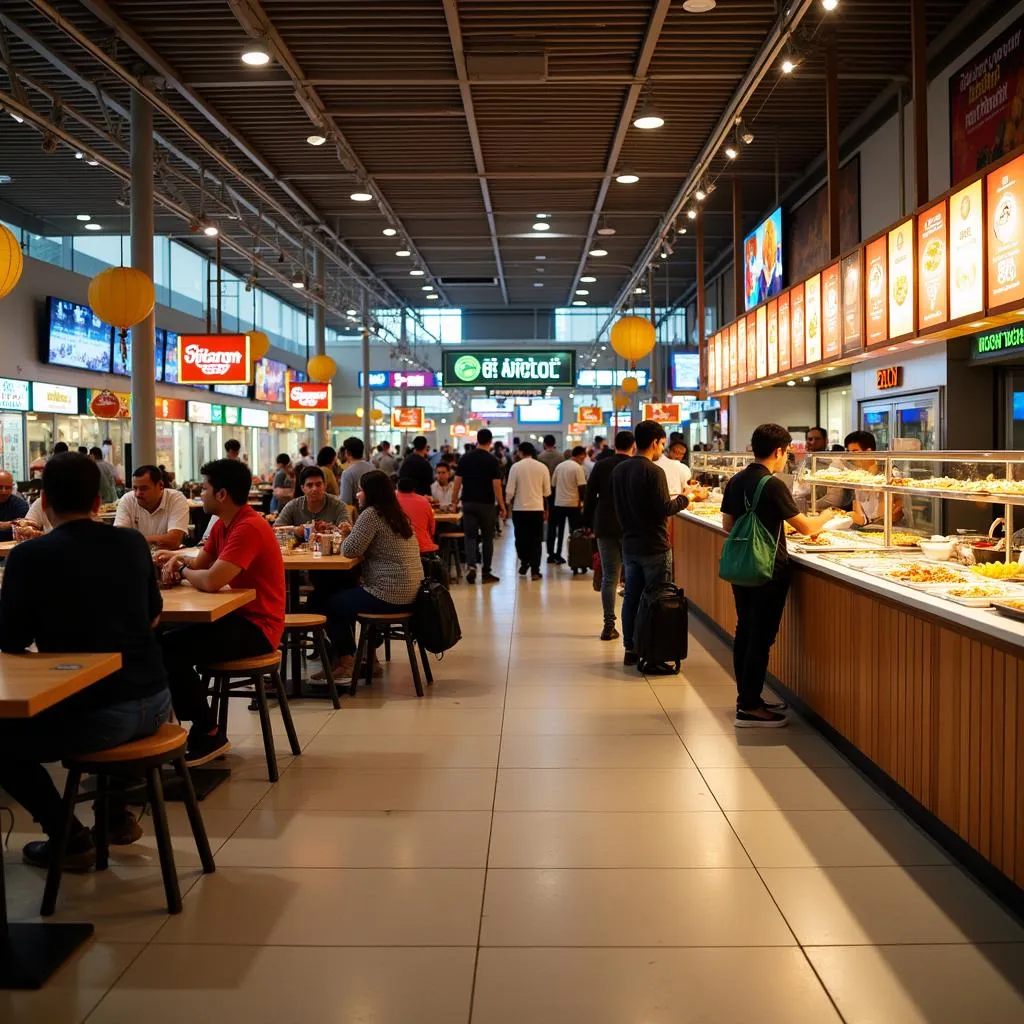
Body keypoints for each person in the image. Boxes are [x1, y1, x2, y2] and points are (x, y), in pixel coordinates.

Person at [0, 453, 170, 869]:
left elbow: (12, 639)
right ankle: (112, 816)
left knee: (3, 742)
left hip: (103, 717)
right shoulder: (132, 543)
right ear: (98, 502)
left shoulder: (29, 557)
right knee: (100, 699)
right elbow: (153, 613)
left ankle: (68, 837)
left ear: (44, 502)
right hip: (160, 701)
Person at [155, 459, 285, 765]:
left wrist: (183, 568)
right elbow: (201, 563)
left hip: (259, 627)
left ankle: (209, 731)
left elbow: (211, 581)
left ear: (222, 494)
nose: (201, 494)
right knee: (161, 636)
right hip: (237, 618)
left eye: (205, 488)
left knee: (169, 649)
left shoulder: (248, 527)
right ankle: (170, 725)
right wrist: (179, 560)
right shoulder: (223, 524)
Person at [722, 424, 837, 726]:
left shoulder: (736, 480)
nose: (786, 458)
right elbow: (808, 528)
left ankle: (747, 696)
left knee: (745, 630)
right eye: (787, 452)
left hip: (743, 567)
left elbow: (727, 525)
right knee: (761, 637)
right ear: (778, 451)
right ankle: (748, 706)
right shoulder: (771, 484)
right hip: (768, 570)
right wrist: (829, 516)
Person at [324, 470, 423, 679]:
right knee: (348, 596)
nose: (357, 495)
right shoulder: (398, 515)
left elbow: (349, 550)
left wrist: (345, 535)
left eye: (361, 490)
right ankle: (369, 658)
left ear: (371, 493)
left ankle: (347, 660)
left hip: (388, 594)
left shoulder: (371, 514)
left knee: (331, 603)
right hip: (413, 593)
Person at [611, 420, 690, 669]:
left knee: (632, 598)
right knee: (658, 599)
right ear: (655, 442)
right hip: (655, 546)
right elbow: (664, 509)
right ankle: (654, 654)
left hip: (630, 545)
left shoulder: (619, 470)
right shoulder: (654, 472)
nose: (662, 450)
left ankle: (631, 648)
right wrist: (687, 499)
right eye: (663, 444)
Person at [582, 430, 635, 640]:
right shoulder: (635, 467)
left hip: (604, 525)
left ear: (614, 445)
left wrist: (588, 523)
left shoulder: (601, 465)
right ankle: (631, 626)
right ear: (633, 446)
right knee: (631, 575)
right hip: (630, 526)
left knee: (610, 577)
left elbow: (590, 495)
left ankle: (608, 625)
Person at [451, 427, 506, 584]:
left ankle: (471, 566)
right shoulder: (492, 460)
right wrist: (502, 506)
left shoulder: (465, 458)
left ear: (477, 439)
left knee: (470, 536)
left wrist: (454, 501)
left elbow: (457, 482)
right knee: (488, 538)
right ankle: (486, 572)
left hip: (468, 502)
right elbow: (496, 486)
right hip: (486, 504)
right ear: (490, 441)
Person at [113, 465, 190, 550]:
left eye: (144, 488)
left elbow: (174, 540)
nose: (138, 493)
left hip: (167, 559)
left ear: (161, 485)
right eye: (135, 488)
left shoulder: (176, 499)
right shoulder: (127, 499)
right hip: (136, 560)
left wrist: (134, 541)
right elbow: (120, 539)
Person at [506, 441, 550, 580]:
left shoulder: (515, 467)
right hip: (537, 508)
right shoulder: (542, 467)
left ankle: (524, 562)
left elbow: (510, 491)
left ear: (520, 452)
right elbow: (547, 492)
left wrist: (507, 504)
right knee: (536, 540)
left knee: (521, 538)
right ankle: (535, 570)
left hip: (519, 509)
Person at [844, 430, 901, 527]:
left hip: (891, 530)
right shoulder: (858, 475)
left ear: (869, 452)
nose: (851, 456)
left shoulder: (889, 474)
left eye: (854, 451)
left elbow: (889, 515)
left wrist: (864, 521)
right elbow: (858, 509)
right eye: (848, 452)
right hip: (867, 529)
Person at [548, 445, 587, 565]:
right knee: (575, 532)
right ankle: (576, 556)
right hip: (573, 504)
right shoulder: (577, 468)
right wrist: (582, 502)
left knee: (559, 531)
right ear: (581, 455)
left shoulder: (560, 466)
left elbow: (553, 485)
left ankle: (557, 554)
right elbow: (582, 487)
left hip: (559, 504)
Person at [793, 426, 845, 512]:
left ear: (826, 441)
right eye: (810, 439)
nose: (813, 442)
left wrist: (808, 506)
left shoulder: (834, 463)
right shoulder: (805, 461)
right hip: (805, 510)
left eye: (817, 439)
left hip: (827, 511)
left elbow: (834, 499)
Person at [397, 477, 438, 554]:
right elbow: (432, 529)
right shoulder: (424, 501)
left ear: (398, 489)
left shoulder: (393, 502)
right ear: (414, 489)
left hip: (399, 548)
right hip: (423, 547)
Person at [339, 436, 374, 507]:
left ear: (347, 452)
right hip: (374, 511)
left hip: (359, 514)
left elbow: (346, 501)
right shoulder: (372, 467)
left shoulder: (347, 473)